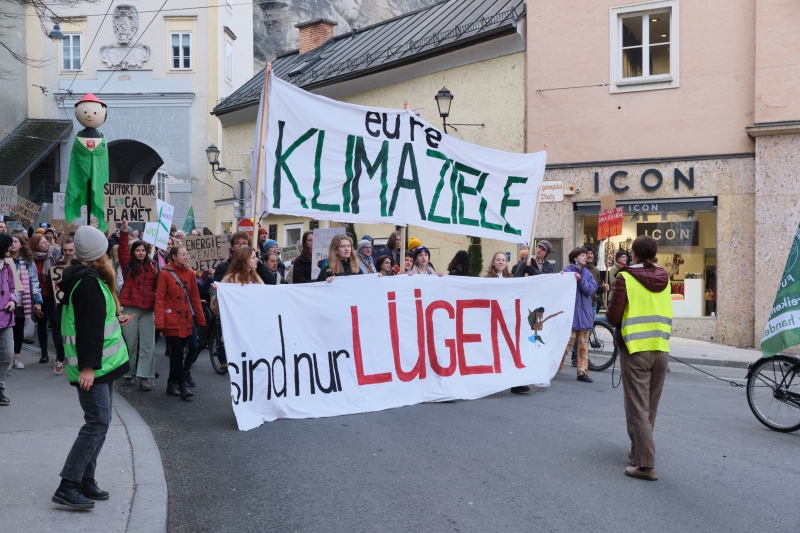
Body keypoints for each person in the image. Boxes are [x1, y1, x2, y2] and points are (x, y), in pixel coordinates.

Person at [51, 225, 131, 510]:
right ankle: (69, 484)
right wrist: (88, 367)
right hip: (94, 369)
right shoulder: (89, 283)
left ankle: (86, 479)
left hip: (100, 365)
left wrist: (114, 322)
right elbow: (87, 330)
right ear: (102, 253)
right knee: (96, 423)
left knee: (100, 422)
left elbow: (94, 323)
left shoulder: (87, 280)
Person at [606, 235, 671, 482]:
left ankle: (645, 465)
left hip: (636, 349)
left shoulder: (625, 277)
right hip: (661, 348)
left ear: (633, 254)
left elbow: (612, 317)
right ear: (654, 253)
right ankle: (638, 452)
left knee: (637, 408)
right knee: (649, 407)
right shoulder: (665, 278)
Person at [154, 245, 205, 401]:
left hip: (186, 319)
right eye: (182, 254)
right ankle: (182, 386)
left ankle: (171, 383)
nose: (185, 256)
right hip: (171, 319)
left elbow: (195, 298)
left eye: (186, 254)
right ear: (174, 256)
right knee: (176, 352)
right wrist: (159, 323)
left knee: (179, 353)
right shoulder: (165, 273)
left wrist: (201, 319)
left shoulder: (190, 273)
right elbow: (160, 299)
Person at [118, 221, 159, 392]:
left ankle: (144, 377)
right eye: (138, 250)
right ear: (133, 252)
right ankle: (128, 374)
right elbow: (121, 251)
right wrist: (124, 231)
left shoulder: (152, 268)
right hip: (130, 309)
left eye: (143, 250)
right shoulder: (127, 264)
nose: (141, 253)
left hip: (148, 310)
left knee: (148, 345)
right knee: (131, 343)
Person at [558, 247, 598, 383]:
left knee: (583, 347)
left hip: (584, 314)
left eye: (586, 255)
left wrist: (581, 281)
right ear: (575, 257)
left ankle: (582, 372)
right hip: (572, 315)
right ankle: (555, 366)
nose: (585, 257)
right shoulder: (567, 271)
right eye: (582, 255)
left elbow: (592, 289)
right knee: (566, 345)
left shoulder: (587, 273)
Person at [9, 235, 42, 369]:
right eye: (10, 242)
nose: (12, 244)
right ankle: (6, 358)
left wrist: (37, 301)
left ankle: (16, 357)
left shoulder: (28, 262)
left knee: (18, 331)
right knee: (6, 331)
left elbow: (34, 281)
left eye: (16, 242)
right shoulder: (3, 260)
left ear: (21, 245)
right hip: (6, 301)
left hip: (22, 301)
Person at [30, 233, 62, 364]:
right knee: (41, 324)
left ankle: (59, 355)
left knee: (55, 323)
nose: (46, 244)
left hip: (52, 294)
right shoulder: (30, 259)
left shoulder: (54, 254)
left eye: (46, 242)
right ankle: (44, 353)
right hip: (38, 296)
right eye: (43, 242)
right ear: (35, 245)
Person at [53, 237, 76, 375]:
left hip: (78, 302)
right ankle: (60, 358)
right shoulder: (58, 264)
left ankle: (75, 359)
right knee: (60, 331)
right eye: (65, 250)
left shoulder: (82, 264)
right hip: (62, 303)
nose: (67, 252)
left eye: (70, 250)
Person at [0, 235, 17, 405]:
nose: (10, 249)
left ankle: (0, 386)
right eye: (7, 246)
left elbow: (13, 288)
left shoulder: (9, 266)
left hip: (5, 317)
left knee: (7, 354)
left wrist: (12, 300)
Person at [583, 246, 608, 316]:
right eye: (588, 253)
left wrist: (603, 288)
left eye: (591, 253)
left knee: (592, 325)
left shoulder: (596, 270)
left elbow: (597, 289)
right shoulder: (579, 269)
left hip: (592, 304)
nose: (590, 256)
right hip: (581, 305)